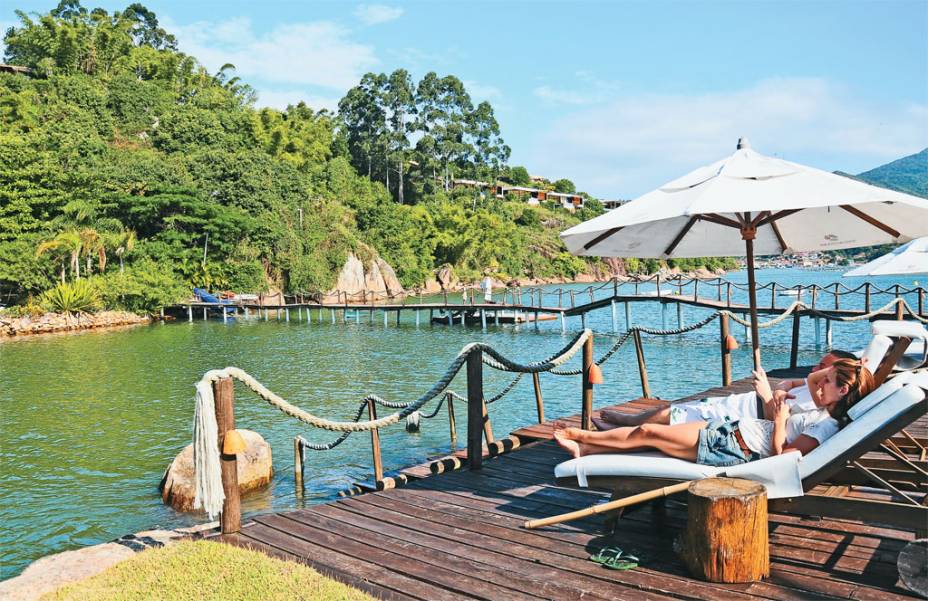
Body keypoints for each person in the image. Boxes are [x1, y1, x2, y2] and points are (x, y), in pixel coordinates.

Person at [555, 359, 873, 467]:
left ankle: (583, 441)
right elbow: (812, 381)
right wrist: (834, 368)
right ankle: (585, 446)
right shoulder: (822, 411)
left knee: (650, 433)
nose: (822, 381)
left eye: (829, 380)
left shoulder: (824, 427)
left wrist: (778, 421)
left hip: (737, 446)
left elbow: (781, 459)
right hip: (732, 429)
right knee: (646, 434)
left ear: (843, 392)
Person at [592, 350, 857, 430]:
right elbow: (788, 384)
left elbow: (774, 423)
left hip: (746, 418)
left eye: (824, 368)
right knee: (672, 409)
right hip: (743, 402)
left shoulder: (819, 403)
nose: (816, 371)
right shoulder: (817, 387)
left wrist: (768, 394)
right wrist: (778, 389)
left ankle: (625, 427)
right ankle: (626, 423)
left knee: (669, 415)